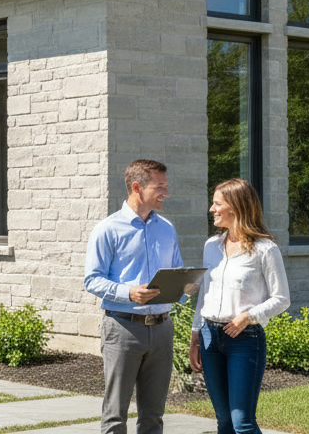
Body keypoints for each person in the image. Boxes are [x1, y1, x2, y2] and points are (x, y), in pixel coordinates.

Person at [85, 159, 183, 434]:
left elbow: (175, 271)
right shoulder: (107, 229)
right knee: (116, 415)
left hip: (162, 329)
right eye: (160, 186)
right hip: (123, 329)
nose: (166, 192)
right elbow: (92, 279)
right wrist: (128, 292)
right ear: (137, 187)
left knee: (153, 416)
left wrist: (185, 287)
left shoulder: (167, 229)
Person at [187, 179, 290, 434]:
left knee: (242, 423)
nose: (212, 209)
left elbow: (282, 298)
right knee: (224, 422)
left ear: (235, 207)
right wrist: (195, 335)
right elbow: (204, 294)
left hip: (245, 339)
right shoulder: (211, 246)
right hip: (210, 337)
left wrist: (249, 316)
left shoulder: (265, 249)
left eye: (217, 203)